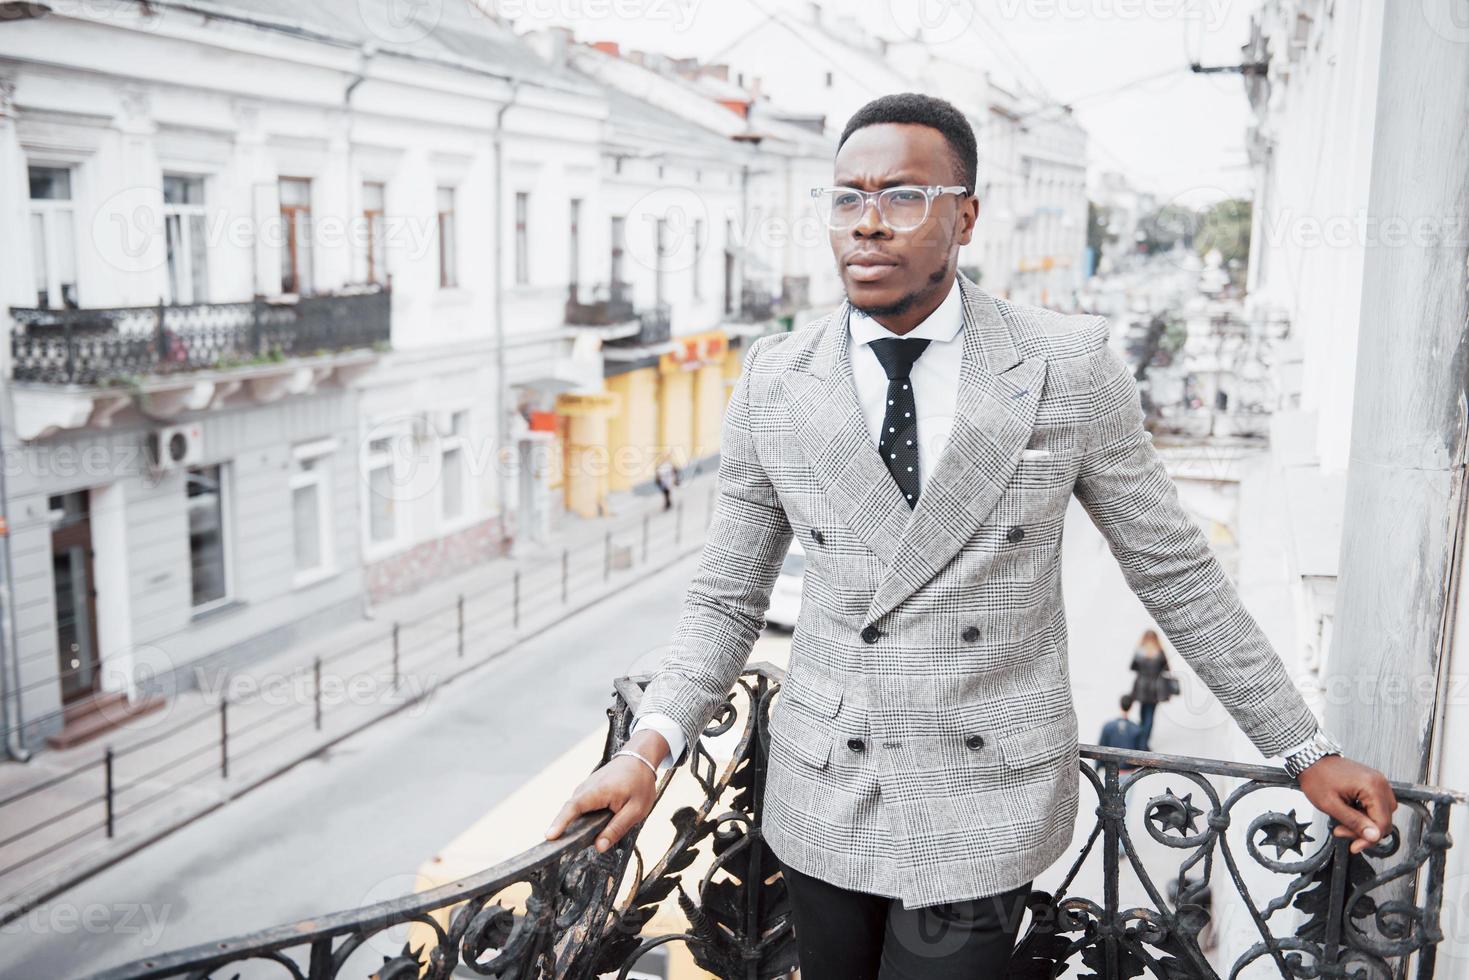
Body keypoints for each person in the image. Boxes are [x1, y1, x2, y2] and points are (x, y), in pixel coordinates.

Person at [545, 93, 1396, 978]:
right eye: (845, 197)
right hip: (825, 789)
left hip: (984, 797)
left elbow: (1173, 571)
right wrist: (651, 748)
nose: (866, 225)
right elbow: (725, 597)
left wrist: (1301, 748)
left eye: (901, 197)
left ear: (964, 216)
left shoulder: (1063, 365)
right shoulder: (774, 378)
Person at [1129, 629, 1175, 750]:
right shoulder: (1160, 653)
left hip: (1141, 687)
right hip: (1155, 688)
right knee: (1150, 715)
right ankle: (1143, 744)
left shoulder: (1139, 653)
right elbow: (1167, 669)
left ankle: (1140, 743)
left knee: (1143, 714)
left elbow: (1132, 667)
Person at [1096, 694, 1146, 774]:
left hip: (1110, 770)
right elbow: (1142, 752)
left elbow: (1101, 746)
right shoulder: (1137, 729)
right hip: (1129, 771)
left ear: (1120, 705)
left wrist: (1098, 767)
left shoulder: (1108, 726)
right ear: (1131, 707)